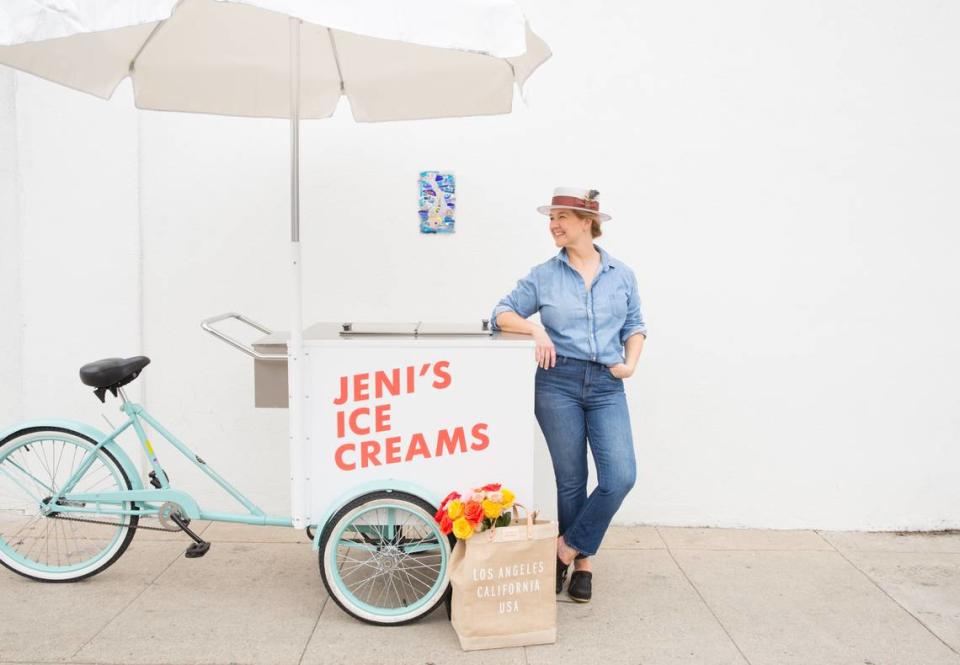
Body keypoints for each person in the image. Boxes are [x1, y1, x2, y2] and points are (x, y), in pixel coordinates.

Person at [489, 186, 647, 603]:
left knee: (620, 476)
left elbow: (635, 325)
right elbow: (500, 313)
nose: (553, 224)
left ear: (587, 223)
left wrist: (630, 364)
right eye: (551, 217)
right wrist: (535, 328)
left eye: (562, 216)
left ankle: (565, 548)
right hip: (557, 381)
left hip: (607, 383)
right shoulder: (544, 275)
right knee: (572, 479)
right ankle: (583, 567)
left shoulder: (621, 274)